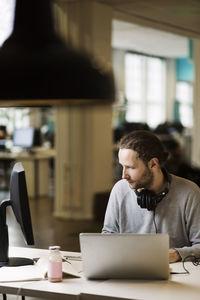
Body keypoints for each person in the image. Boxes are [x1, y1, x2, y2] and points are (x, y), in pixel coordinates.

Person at [102, 130, 200, 263]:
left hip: (176, 275)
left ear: (153, 164)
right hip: (128, 270)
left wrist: (177, 254)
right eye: (122, 167)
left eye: (130, 167)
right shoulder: (119, 190)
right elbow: (107, 237)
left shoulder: (189, 192)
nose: (124, 175)